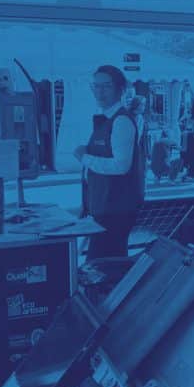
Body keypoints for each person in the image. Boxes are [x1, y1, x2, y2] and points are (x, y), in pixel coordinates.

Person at [75, 65, 145, 260]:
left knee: (103, 264)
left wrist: (84, 157)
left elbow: (121, 166)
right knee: (105, 263)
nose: (100, 92)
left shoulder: (121, 121)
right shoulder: (107, 119)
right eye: (96, 86)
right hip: (105, 205)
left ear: (120, 89)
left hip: (115, 208)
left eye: (106, 86)